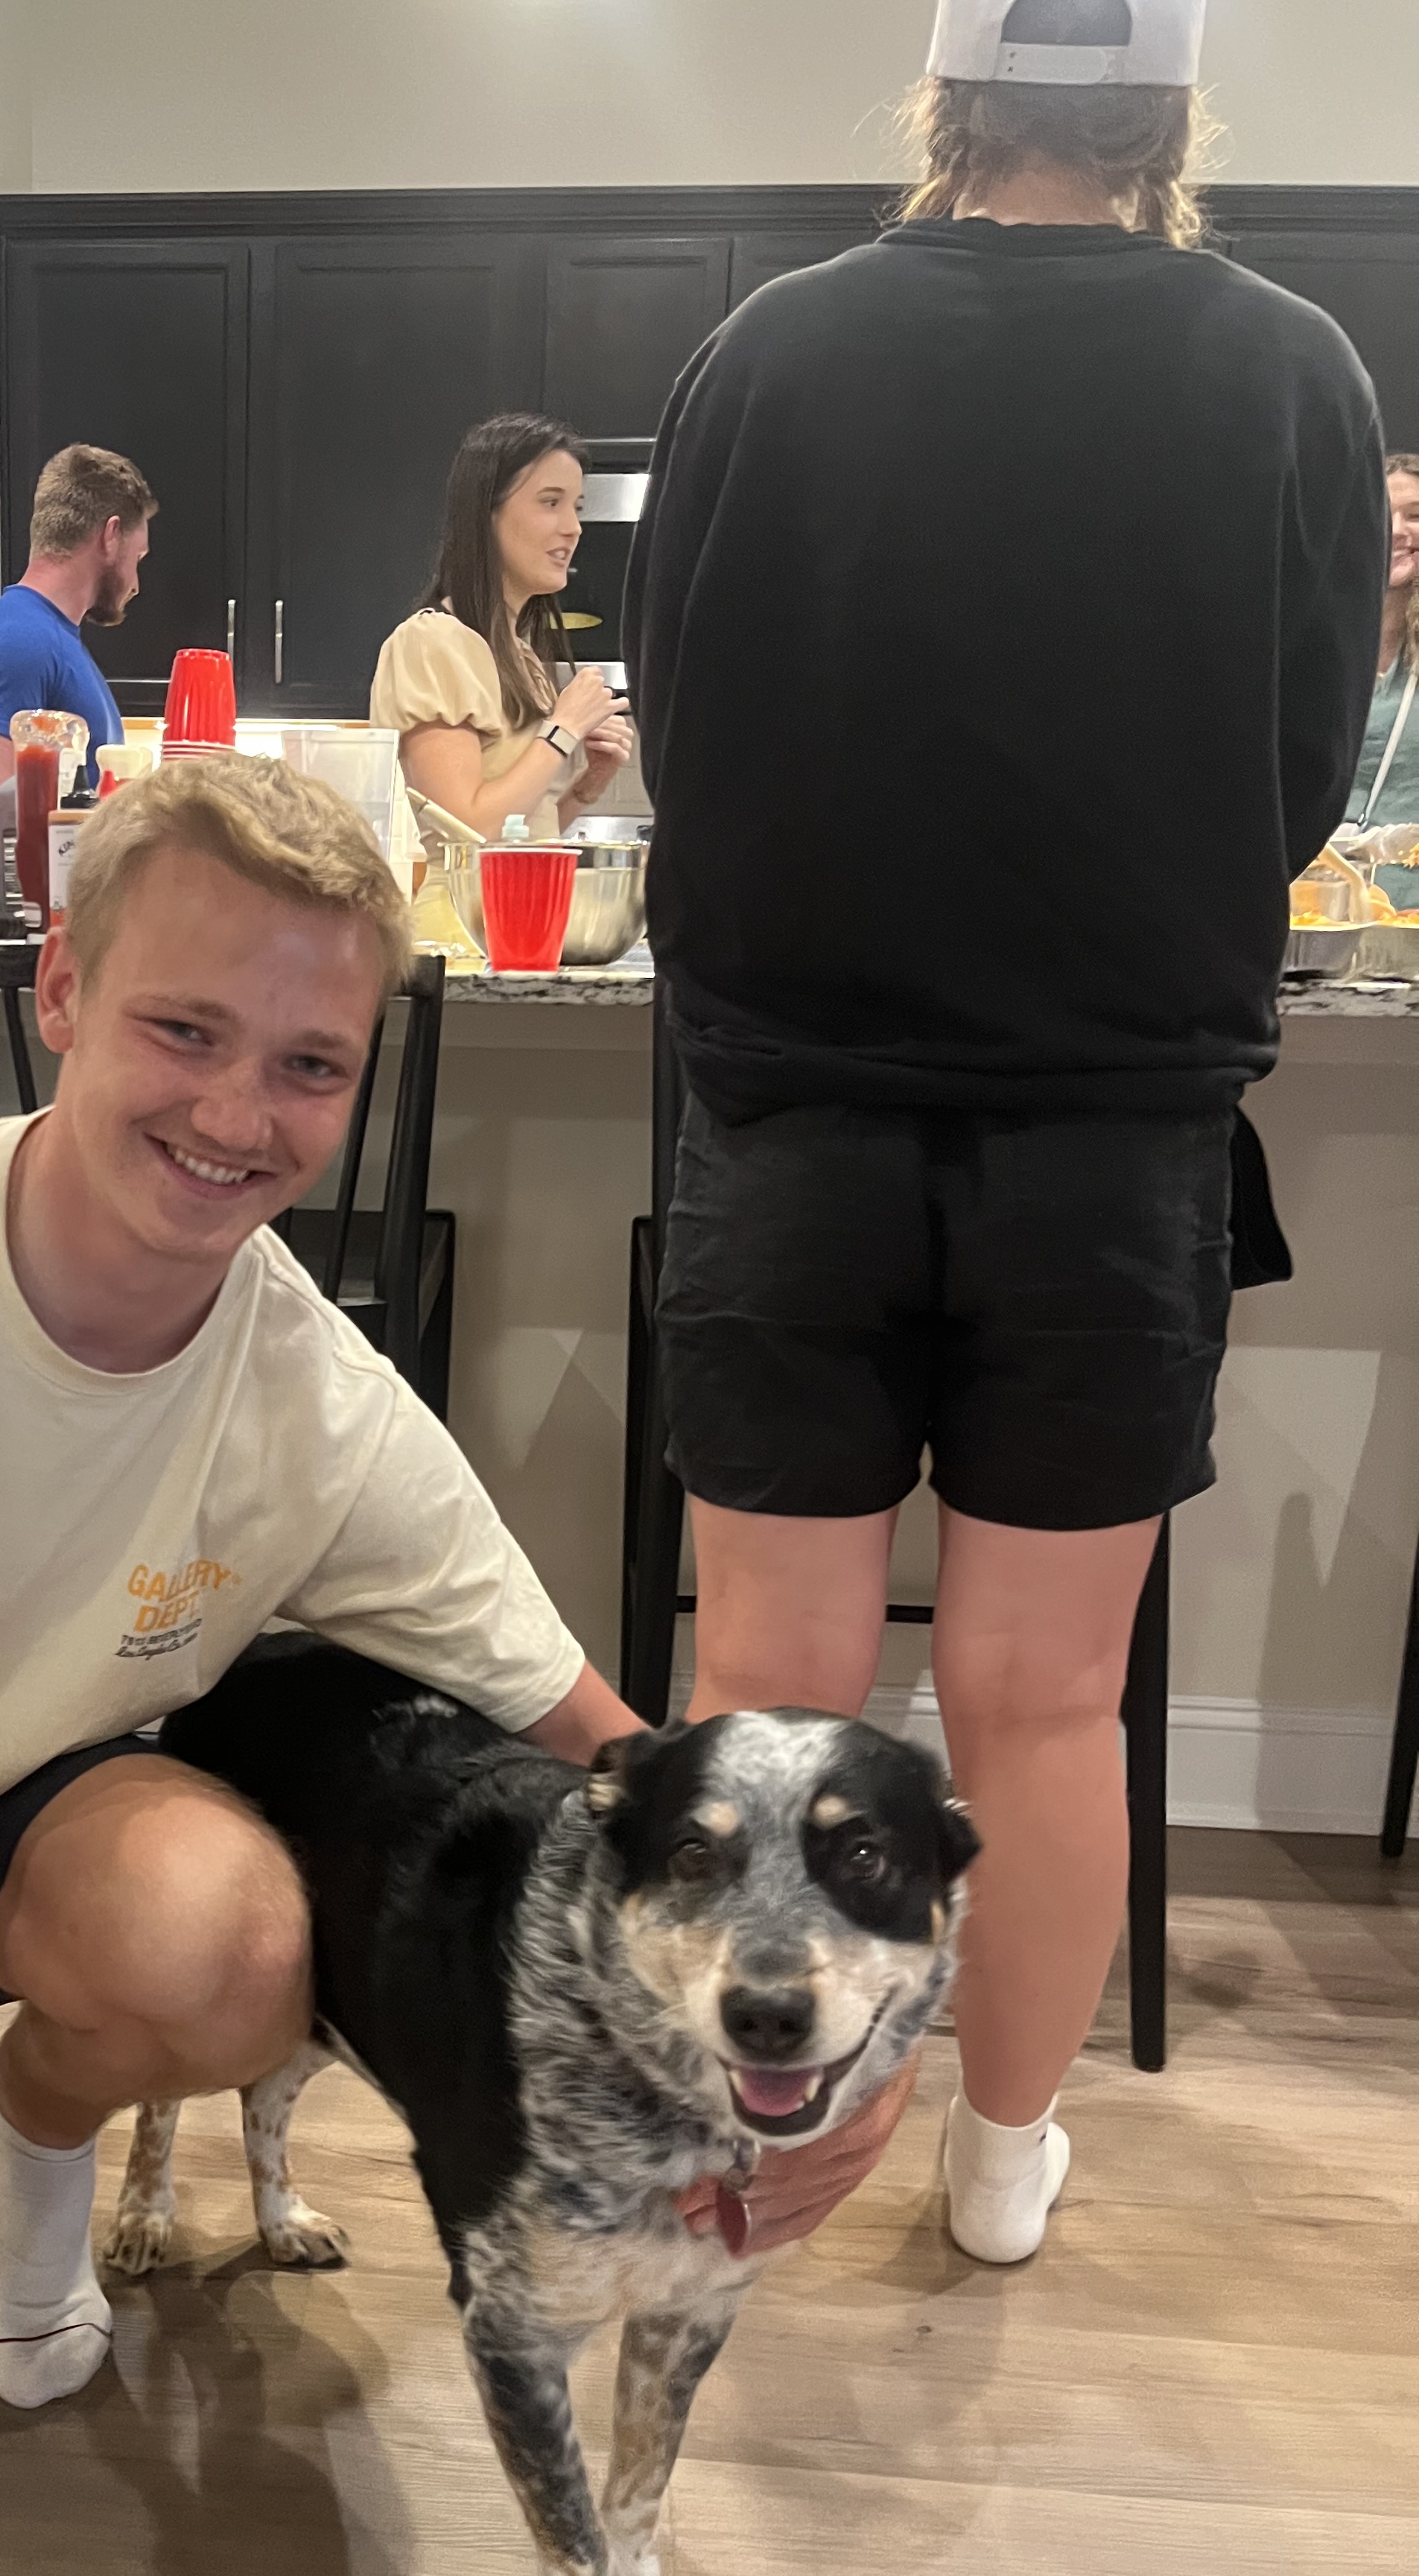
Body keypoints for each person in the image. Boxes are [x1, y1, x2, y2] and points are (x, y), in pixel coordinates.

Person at [0, 758, 904, 2548]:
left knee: (237, 1942)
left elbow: (608, 1744)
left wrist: (814, 1997)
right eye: (185, 1030)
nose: (237, 1112)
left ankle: (39, 2143)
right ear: (62, 991)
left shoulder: (318, 1403)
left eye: (310, 1065)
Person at [623, 0, 1383, 2264]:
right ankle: (1000, 2162)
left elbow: (684, 727)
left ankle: (749, 2139)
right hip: (1112, 1126)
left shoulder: (769, 354)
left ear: (949, 97)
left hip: (796, 1109)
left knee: (767, 1680)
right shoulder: (1294, 374)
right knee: (1047, 1705)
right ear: (1171, 108)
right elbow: (1302, 774)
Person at [372, 414, 634, 844]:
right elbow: (465, 831)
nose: (573, 528)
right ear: (486, 513)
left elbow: (521, 835)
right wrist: (564, 730)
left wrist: (587, 786)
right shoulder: (432, 642)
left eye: (577, 508)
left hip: (515, 889)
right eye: (551, 502)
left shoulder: (519, 655)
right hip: (459, 892)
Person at [0, 444, 153, 834]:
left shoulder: (54, 639)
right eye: (138, 558)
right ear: (111, 536)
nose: (136, 584)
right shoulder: (20, 637)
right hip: (45, 880)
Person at [1344, 453, 1419, 901]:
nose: (1396, 530)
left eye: (1416, 516)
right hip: (1315, 908)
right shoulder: (1308, 647)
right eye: (1381, 513)